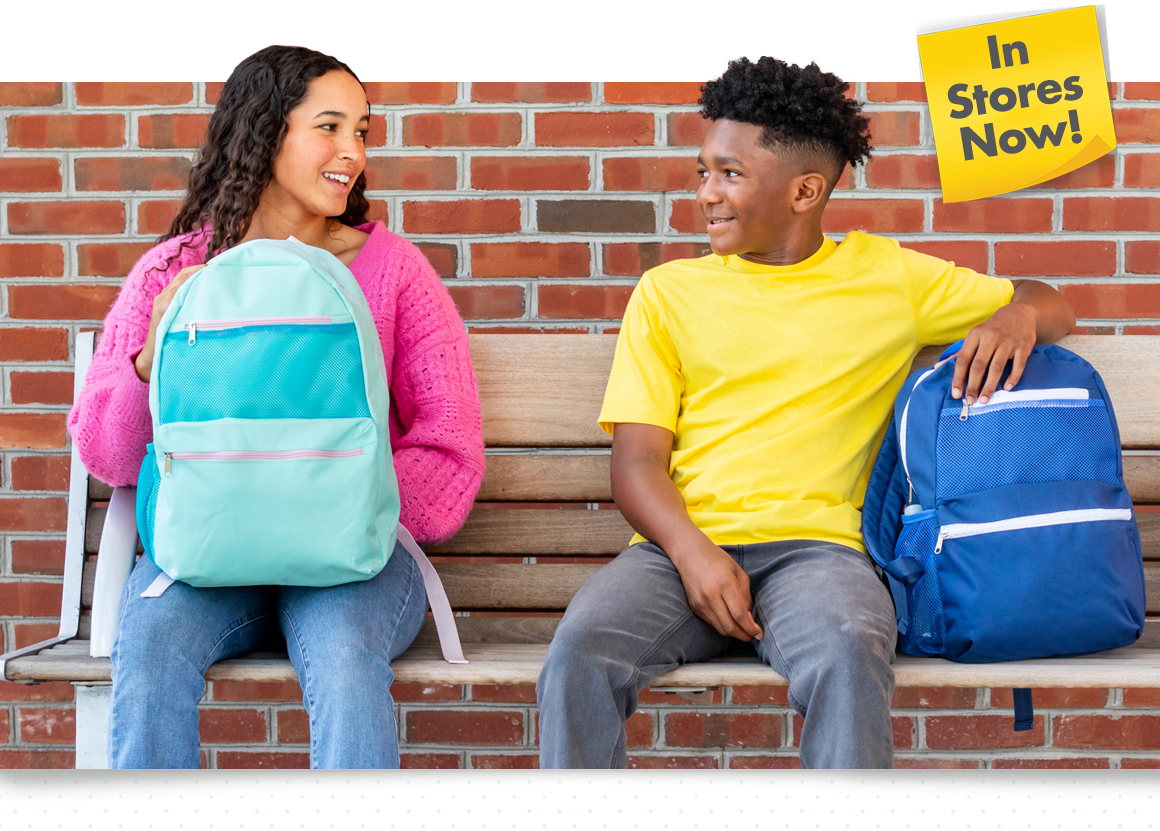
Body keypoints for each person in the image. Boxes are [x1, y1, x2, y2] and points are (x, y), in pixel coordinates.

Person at [536, 56, 1076, 769]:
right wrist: (696, 554)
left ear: (806, 190)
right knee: (578, 655)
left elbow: (1050, 298)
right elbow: (636, 462)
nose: (705, 193)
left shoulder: (890, 278)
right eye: (702, 171)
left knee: (850, 648)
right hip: (676, 549)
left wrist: (1017, 318)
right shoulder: (669, 294)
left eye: (729, 173)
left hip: (820, 554)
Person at [67, 45, 485, 769]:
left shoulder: (393, 273)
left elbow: (450, 447)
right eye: (330, 127)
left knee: (345, 656)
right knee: (152, 642)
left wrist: (340, 509)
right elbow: (105, 449)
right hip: (207, 559)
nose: (352, 152)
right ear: (265, 132)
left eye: (362, 131)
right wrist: (147, 359)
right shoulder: (174, 273)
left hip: (351, 561)